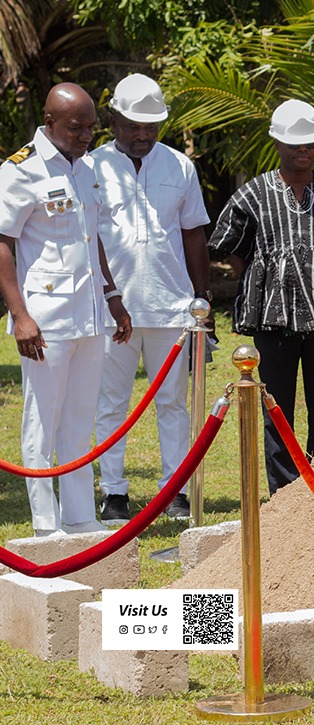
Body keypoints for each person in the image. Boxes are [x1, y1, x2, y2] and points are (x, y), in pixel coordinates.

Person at [209, 99, 314, 494]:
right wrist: (263, 275)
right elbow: (227, 244)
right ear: (278, 143)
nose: (303, 151)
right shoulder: (252, 194)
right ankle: (284, 494)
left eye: (310, 144)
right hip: (272, 316)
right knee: (275, 407)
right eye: (295, 144)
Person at [0, 83, 132, 536]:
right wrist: (19, 315)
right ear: (50, 121)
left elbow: (91, 242)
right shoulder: (21, 170)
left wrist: (113, 298)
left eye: (91, 128)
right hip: (45, 320)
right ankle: (44, 525)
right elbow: (2, 243)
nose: (85, 136)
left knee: (79, 419)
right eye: (76, 128)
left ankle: (79, 518)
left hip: (90, 314)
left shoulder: (87, 167)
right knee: (42, 419)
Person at [92, 74, 211, 523]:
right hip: (110, 310)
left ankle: (174, 491)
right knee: (112, 402)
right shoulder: (91, 167)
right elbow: (90, 238)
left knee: (172, 403)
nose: (142, 135)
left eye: (151, 126)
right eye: (133, 125)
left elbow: (194, 234)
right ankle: (115, 492)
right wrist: (110, 294)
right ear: (113, 120)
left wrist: (201, 302)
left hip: (171, 307)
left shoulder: (180, 166)